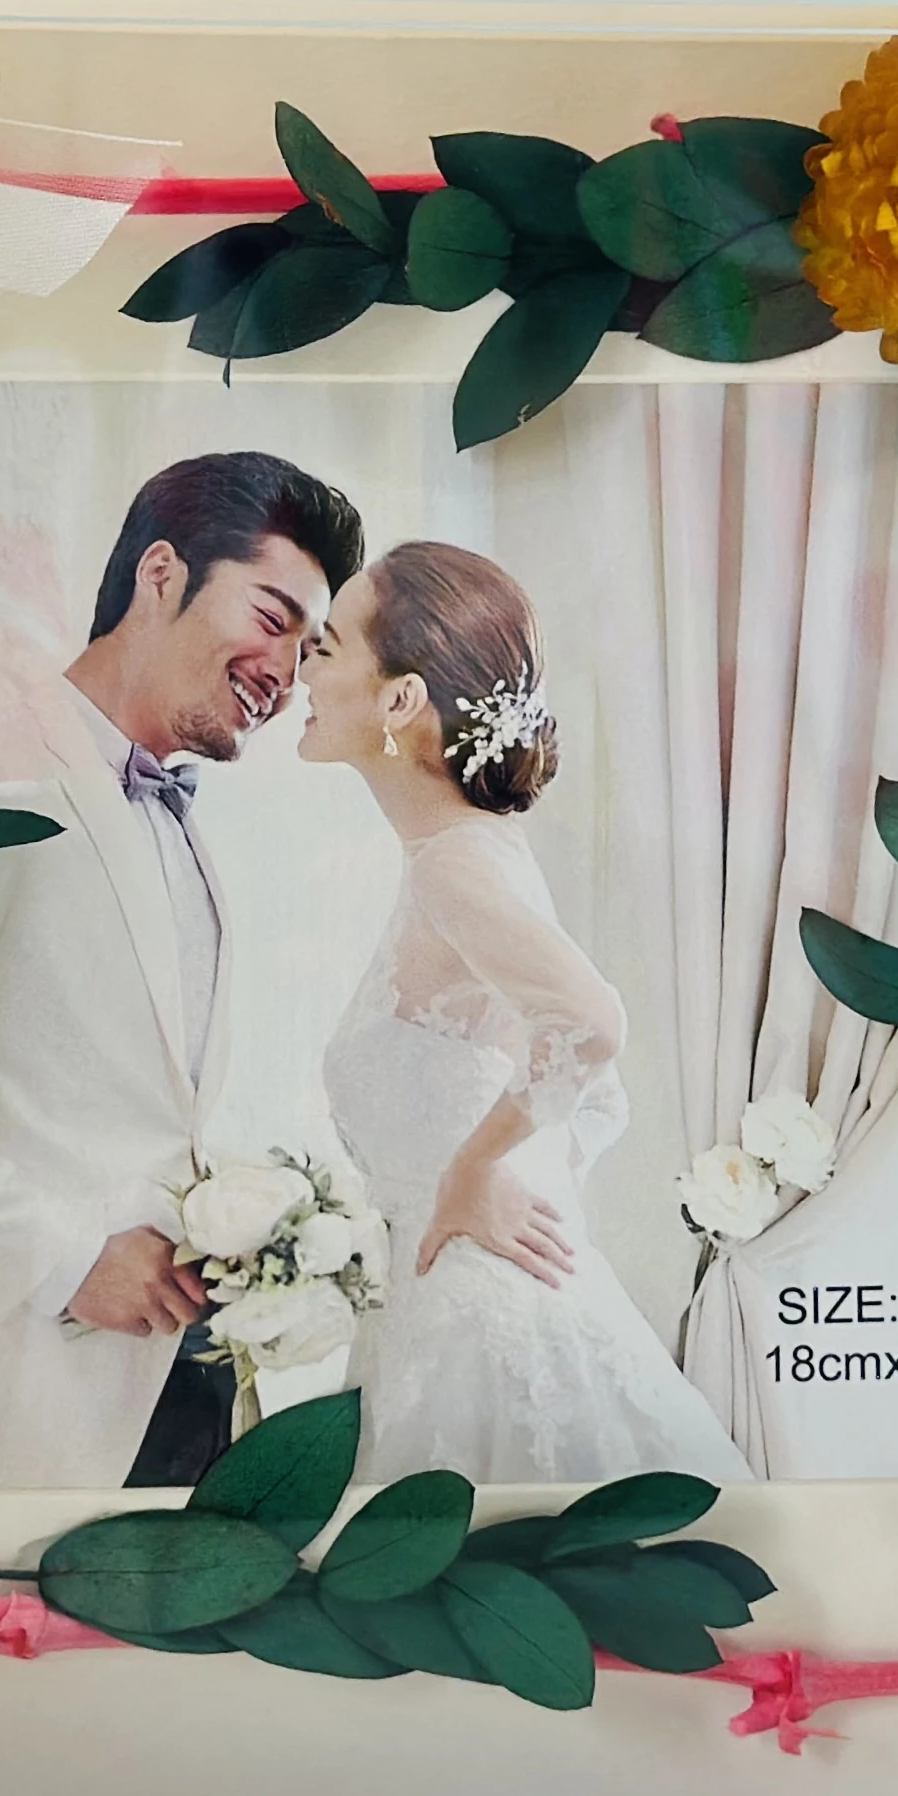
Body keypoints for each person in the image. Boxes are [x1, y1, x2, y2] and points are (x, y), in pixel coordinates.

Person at [0, 451, 363, 1489]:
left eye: (307, 649)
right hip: (27, 1383)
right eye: (272, 619)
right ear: (160, 573)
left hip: (186, 1383)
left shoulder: (185, 819)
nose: (286, 672)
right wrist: (65, 1256)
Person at [295, 541, 754, 1485]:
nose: (303, 663)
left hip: (482, 1323)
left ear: (399, 699)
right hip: (445, 1307)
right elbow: (590, 1094)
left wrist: (474, 1168)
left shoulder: (455, 864)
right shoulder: (465, 853)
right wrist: (513, 1172)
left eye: (327, 645)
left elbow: (591, 1024)